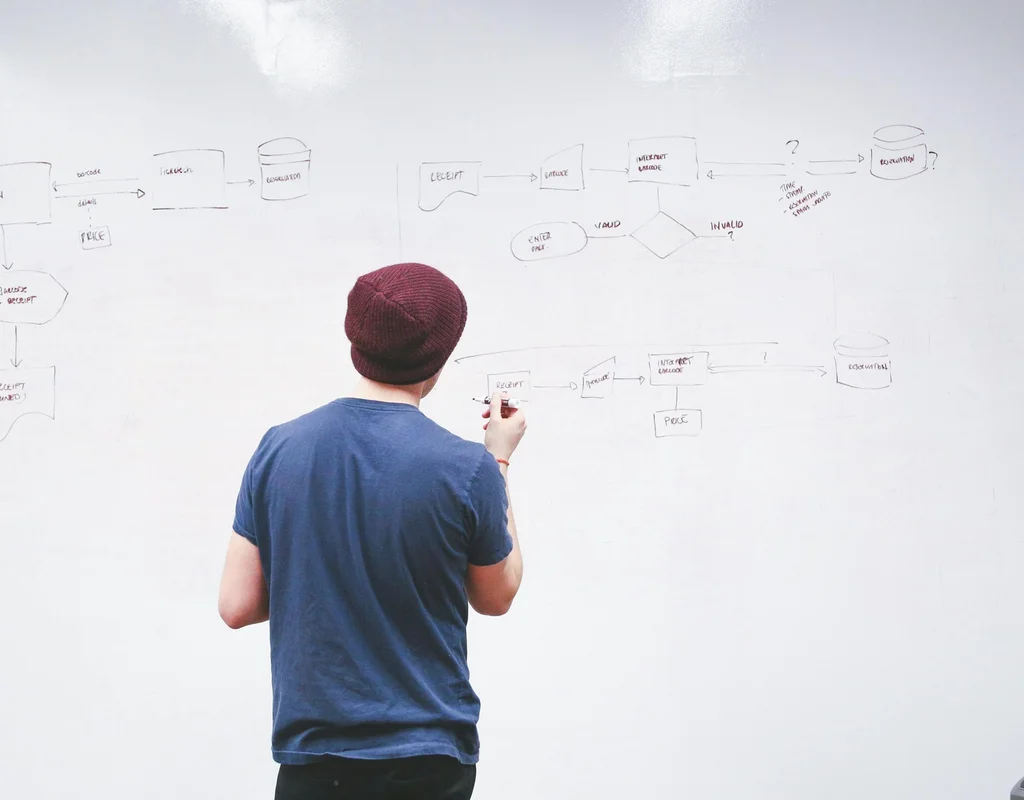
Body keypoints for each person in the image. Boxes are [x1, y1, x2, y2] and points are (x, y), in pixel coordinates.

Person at [217, 262, 527, 800]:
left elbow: (237, 604)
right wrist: (497, 461)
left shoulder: (278, 449)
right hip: (426, 760)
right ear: (440, 355)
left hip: (313, 761)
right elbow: (495, 596)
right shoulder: (466, 467)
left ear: (355, 338)